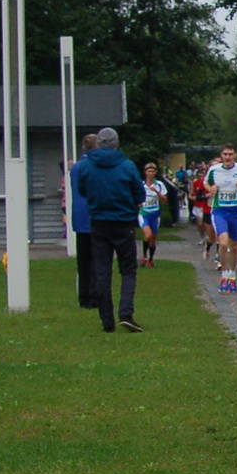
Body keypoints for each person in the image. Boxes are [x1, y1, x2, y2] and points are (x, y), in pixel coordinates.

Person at [73, 127, 146, 333]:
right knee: (128, 270)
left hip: (98, 222)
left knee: (102, 271)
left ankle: (106, 319)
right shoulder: (127, 166)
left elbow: (82, 190)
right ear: (116, 143)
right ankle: (126, 312)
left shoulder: (86, 165)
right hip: (123, 222)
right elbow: (139, 194)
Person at [204, 146, 237, 294]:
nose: (227, 157)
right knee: (223, 242)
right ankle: (224, 275)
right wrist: (211, 189)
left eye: (230, 154)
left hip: (236, 212)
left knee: (235, 245)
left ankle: (232, 275)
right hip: (220, 211)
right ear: (221, 155)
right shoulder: (214, 170)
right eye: (225, 154)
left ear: (235, 155)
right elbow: (206, 183)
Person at [71, 133, 98, 307]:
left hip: (79, 217)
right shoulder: (93, 166)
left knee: (83, 260)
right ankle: (94, 295)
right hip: (94, 215)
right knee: (96, 260)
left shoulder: (76, 167)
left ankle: (83, 296)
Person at [138, 162, 169, 267]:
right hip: (144, 213)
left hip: (155, 213)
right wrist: (139, 203)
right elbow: (136, 199)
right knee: (148, 234)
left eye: (152, 171)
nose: (150, 173)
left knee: (153, 239)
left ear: (155, 172)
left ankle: (151, 259)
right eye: (148, 171)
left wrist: (156, 192)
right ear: (145, 172)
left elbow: (165, 200)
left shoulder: (159, 184)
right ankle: (144, 256)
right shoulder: (141, 185)